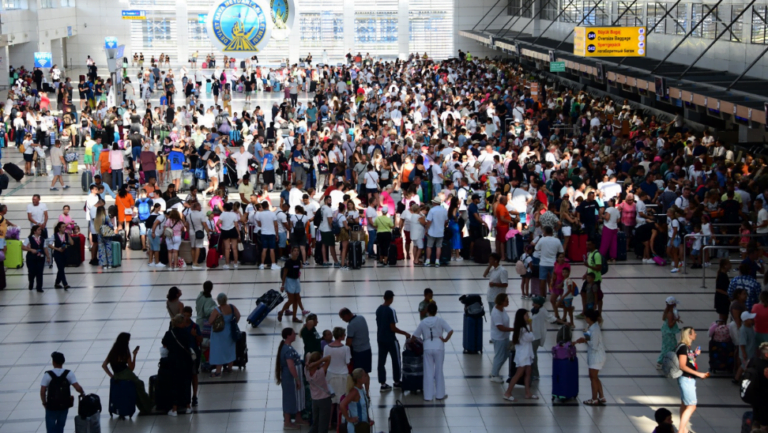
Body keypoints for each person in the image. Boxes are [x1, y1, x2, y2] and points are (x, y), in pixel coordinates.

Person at [100, 333, 152, 413]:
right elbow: (131, 368)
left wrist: (112, 376)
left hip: (117, 375)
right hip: (125, 374)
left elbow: (104, 365)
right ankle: (147, 406)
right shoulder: (125, 352)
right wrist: (134, 355)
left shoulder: (113, 351)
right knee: (139, 384)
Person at [411, 302, 453, 401]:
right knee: (439, 370)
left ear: (427, 311)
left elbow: (415, 336)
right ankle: (440, 395)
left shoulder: (423, 322)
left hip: (427, 347)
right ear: (436, 311)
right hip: (439, 346)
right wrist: (445, 339)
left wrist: (410, 341)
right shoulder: (440, 320)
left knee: (428, 371)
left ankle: (428, 396)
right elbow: (450, 330)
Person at [674, 327, 710, 433]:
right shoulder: (683, 348)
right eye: (694, 333)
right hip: (686, 379)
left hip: (687, 379)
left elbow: (690, 363)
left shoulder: (687, 347)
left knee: (685, 404)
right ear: (689, 335)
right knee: (691, 406)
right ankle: (681, 430)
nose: (696, 334)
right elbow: (682, 366)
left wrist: (695, 355)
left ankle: (683, 428)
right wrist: (699, 374)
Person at [40, 352, 84, 433]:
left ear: (53, 362)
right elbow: (77, 387)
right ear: (63, 361)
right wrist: (82, 393)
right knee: (61, 426)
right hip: (64, 405)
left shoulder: (48, 375)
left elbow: (42, 391)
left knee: (50, 428)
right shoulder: (68, 373)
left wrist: (44, 403)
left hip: (51, 406)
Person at [376, 290, 410, 392]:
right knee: (396, 360)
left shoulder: (378, 309)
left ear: (384, 297)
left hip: (380, 339)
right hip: (391, 339)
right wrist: (405, 333)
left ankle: (383, 384)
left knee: (381, 362)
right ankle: (396, 381)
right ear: (391, 298)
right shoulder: (391, 310)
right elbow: (392, 327)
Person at [275, 328, 308, 430]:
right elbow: (291, 366)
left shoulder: (288, 347)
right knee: (290, 398)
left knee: (298, 397)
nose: (295, 335)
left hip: (292, 377)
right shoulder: (287, 349)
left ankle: (298, 417)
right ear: (288, 336)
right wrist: (297, 379)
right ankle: (288, 421)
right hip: (290, 378)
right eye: (293, 334)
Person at [161, 314, 194, 416]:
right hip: (186, 361)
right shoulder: (186, 333)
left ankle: (174, 409)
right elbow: (189, 344)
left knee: (174, 384)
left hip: (173, 361)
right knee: (186, 383)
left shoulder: (169, 333)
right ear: (180, 323)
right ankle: (188, 406)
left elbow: (164, 344)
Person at [502, 308, 538, 402]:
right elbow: (531, 337)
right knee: (518, 374)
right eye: (526, 315)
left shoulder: (521, 329)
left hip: (526, 354)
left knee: (528, 372)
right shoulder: (522, 330)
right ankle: (508, 393)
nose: (528, 317)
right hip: (523, 355)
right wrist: (531, 325)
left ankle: (528, 393)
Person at [575, 309, 606, 406]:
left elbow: (594, 345)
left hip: (597, 357)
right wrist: (585, 335)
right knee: (594, 377)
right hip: (594, 357)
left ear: (588, 318)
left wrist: (584, 340)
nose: (584, 318)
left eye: (585, 317)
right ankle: (601, 396)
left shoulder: (595, 329)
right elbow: (589, 340)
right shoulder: (591, 327)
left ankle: (594, 399)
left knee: (593, 377)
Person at [207, 293, 241, 377]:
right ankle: (229, 368)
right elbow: (238, 315)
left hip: (219, 334)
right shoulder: (232, 307)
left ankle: (218, 371)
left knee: (219, 351)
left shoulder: (217, 310)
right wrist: (234, 322)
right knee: (230, 349)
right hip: (230, 331)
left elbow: (210, 321)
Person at [323, 327, 350, 422]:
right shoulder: (346, 348)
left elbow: (324, 361)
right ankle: (340, 423)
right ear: (341, 336)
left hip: (330, 376)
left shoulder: (326, 347)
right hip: (342, 376)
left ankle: (329, 423)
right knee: (341, 402)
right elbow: (347, 362)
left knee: (331, 402)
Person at [304, 352, 332, 433]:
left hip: (315, 400)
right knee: (323, 425)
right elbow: (329, 357)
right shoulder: (320, 373)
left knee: (315, 423)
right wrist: (318, 362)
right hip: (324, 400)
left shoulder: (306, 370)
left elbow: (308, 354)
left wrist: (311, 363)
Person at [339, 308, 372, 373]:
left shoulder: (351, 325)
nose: (343, 320)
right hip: (367, 349)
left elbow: (349, 342)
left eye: (342, 318)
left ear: (346, 316)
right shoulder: (361, 318)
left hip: (358, 352)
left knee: (357, 373)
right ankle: (367, 383)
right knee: (366, 372)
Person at [340, 369, 372, 433]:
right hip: (356, 427)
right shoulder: (354, 392)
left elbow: (363, 407)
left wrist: (368, 418)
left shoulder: (362, 389)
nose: (366, 377)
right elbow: (342, 404)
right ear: (359, 379)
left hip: (363, 426)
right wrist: (348, 418)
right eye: (364, 376)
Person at [489, 293, 512, 383]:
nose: (508, 302)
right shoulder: (496, 313)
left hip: (504, 337)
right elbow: (500, 327)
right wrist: (514, 329)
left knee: (505, 355)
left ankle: (495, 372)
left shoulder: (502, 309)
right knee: (499, 356)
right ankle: (494, 374)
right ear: (501, 301)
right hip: (499, 338)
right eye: (506, 300)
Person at [534, 226, 563, 295]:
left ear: (545, 232)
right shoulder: (557, 240)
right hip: (554, 263)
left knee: (542, 280)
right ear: (552, 232)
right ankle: (554, 293)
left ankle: (542, 296)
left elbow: (536, 248)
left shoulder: (542, 240)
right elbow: (561, 251)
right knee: (554, 280)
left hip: (543, 263)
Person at [278, 246, 304, 323]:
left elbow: (299, 270)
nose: (296, 252)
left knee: (296, 299)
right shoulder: (288, 262)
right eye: (294, 250)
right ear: (291, 252)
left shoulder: (299, 261)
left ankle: (294, 317)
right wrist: (282, 285)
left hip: (296, 281)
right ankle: (281, 312)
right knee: (291, 300)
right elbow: (284, 274)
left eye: (297, 251)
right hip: (289, 281)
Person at [657, 296, 682, 369]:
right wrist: (675, 320)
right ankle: (661, 362)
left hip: (666, 332)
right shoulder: (670, 313)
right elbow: (670, 325)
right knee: (669, 347)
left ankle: (667, 361)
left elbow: (663, 319)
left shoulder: (667, 311)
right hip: (669, 333)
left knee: (667, 346)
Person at [216, 202, 241, 269]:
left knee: (227, 248)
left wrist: (220, 228)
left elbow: (217, 223)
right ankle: (235, 264)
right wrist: (239, 234)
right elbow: (236, 225)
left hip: (225, 231)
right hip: (233, 231)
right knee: (234, 248)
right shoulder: (234, 214)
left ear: (224, 208)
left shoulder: (223, 214)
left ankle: (227, 264)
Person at [22, 225, 46, 292]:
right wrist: (31, 250)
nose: (40, 231)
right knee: (31, 272)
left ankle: (39, 287)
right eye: (38, 230)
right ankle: (31, 282)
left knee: (40, 273)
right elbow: (23, 247)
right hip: (31, 258)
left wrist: (48, 256)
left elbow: (45, 248)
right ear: (34, 231)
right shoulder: (29, 239)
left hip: (40, 257)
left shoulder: (42, 239)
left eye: (40, 230)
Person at [424, 198, 448, 267]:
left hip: (432, 231)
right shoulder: (444, 210)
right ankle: (437, 261)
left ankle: (428, 261)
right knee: (438, 247)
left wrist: (426, 229)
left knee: (429, 246)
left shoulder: (432, 210)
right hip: (440, 232)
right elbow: (446, 221)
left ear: (434, 203)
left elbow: (429, 221)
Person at [50, 222, 73, 290]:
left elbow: (72, 243)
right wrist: (57, 249)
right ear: (59, 228)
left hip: (64, 253)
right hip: (57, 254)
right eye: (63, 227)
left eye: (64, 227)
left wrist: (69, 235)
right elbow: (50, 245)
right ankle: (65, 284)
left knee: (61, 268)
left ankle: (57, 283)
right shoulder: (54, 235)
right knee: (61, 269)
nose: (64, 228)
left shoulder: (66, 235)